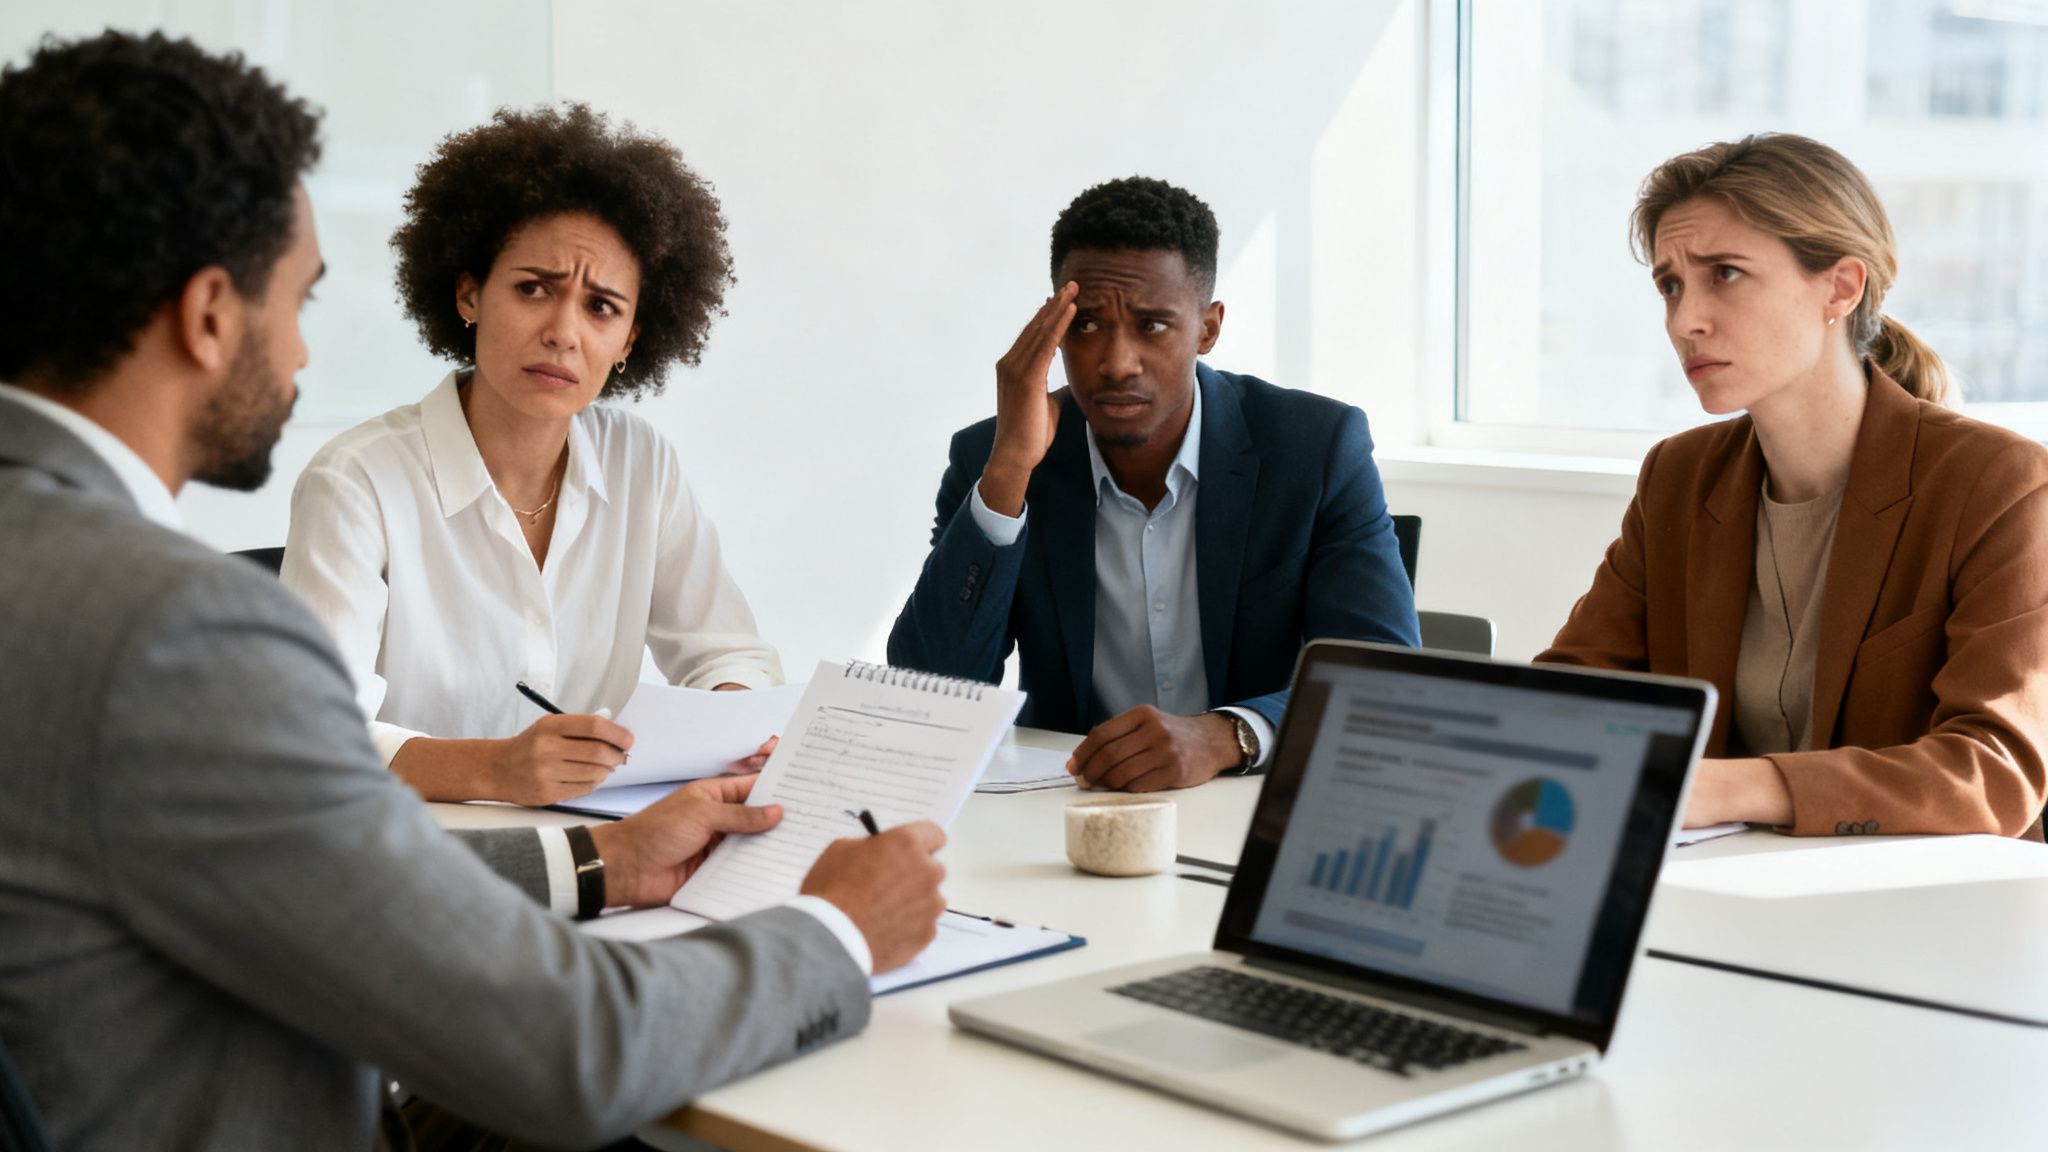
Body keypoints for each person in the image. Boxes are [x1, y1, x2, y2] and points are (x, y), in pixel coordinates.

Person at [0, 31, 946, 1152]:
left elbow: (304, 869)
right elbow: (573, 1051)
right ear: (210, 314)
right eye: (298, 299)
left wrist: (603, 858)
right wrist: (835, 928)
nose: (302, 353)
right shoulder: (175, 629)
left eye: (600, 307)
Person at [1539, 133, 2048, 840]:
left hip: (1917, 909)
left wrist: (1726, 787)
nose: (1686, 320)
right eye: (1671, 284)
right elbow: (1570, 695)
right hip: (1723, 886)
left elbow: (1993, 774)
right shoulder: (1678, 478)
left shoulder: (1998, 482)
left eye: (1726, 273)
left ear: (1841, 287)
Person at [282, 104, 777, 806]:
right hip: (407, 855)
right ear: (469, 294)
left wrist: (735, 724)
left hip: (609, 850)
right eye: (533, 289)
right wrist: (494, 770)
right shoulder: (357, 481)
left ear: (631, 339)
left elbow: (727, 653)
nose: (562, 333)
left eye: (601, 306)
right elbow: (311, 730)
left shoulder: (643, 464)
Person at [888, 177, 1418, 792]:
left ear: (1208, 329)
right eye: (1085, 326)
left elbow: (1384, 679)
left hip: (1248, 803)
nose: (1116, 362)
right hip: (1063, 812)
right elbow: (929, 693)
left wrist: (1228, 735)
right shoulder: (997, 455)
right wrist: (1008, 472)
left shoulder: (1314, 447)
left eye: (1152, 326)